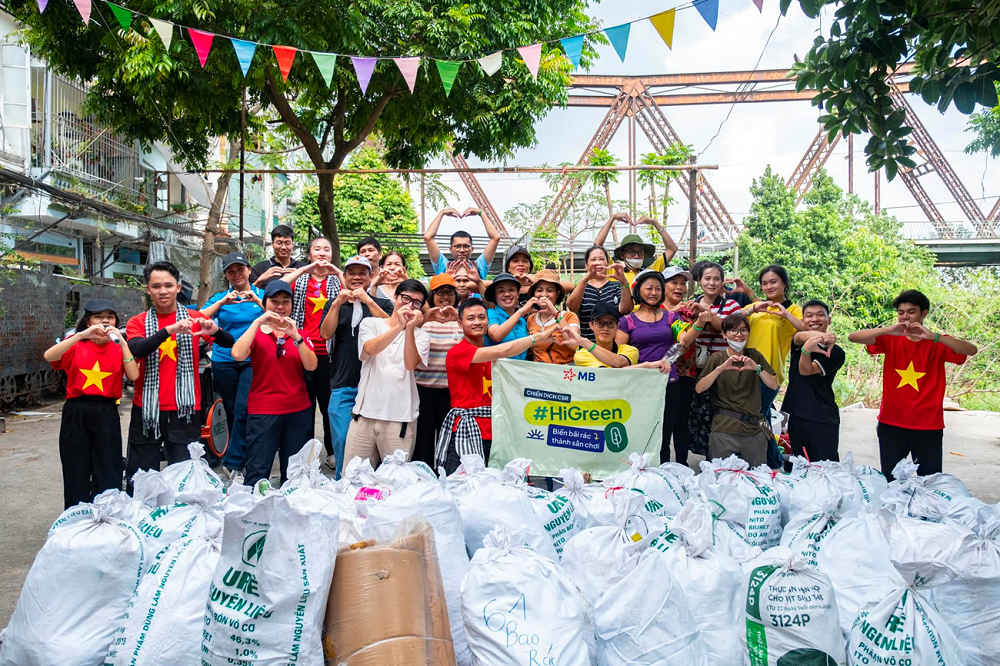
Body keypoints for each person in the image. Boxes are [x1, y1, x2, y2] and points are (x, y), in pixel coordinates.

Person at [125, 261, 234, 491]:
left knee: (184, 473)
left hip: (184, 409)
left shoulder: (194, 318)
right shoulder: (138, 321)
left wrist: (214, 330)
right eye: (156, 286)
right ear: (148, 289)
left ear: (178, 287)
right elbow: (137, 348)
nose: (162, 291)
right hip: (147, 408)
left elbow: (229, 343)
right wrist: (169, 330)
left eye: (167, 285)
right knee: (142, 473)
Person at [848, 289, 977, 480]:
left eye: (911, 311)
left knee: (930, 481)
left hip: (928, 425)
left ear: (923, 313)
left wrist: (935, 337)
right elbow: (853, 337)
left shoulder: (938, 341)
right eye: (901, 312)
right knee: (891, 480)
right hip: (891, 422)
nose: (905, 317)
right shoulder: (891, 338)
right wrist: (889, 330)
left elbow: (971, 350)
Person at [436, 299, 559, 474]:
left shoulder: (489, 353)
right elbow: (503, 350)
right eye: (470, 318)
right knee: (460, 488)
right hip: (467, 430)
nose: (477, 322)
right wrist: (538, 337)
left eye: (482, 317)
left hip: (497, 431)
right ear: (460, 323)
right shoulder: (458, 352)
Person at [45, 299, 139, 508]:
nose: (104, 321)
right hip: (76, 410)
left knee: (108, 464)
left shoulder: (118, 348)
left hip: (106, 410)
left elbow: (133, 374)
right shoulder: (77, 345)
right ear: (88, 321)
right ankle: (76, 514)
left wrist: (123, 342)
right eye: (98, 316)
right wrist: (80, 336)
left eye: (110, 317)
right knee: (75, 465)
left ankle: (106, 512)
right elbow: (49, 356)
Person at [230, 281, 318, 486]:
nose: (280, 306)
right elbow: (237, 354)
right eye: (274, 301)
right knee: (258, 471)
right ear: (265, 303)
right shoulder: (256, 334)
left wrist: (295, 335)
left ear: (291, 305)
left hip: (297, 410)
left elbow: (311, 365)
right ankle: (255, 513)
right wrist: (257, 323)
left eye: (285, 302)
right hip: (263, 411)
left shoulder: (301, 334)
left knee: (294, 473)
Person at [616, 269, 707, 464]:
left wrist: (698, 324)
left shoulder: (671, 318)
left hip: (669, 383)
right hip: (639, 385)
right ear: (638, 291)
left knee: (664, 436)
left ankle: (663, 477)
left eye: (658, 288)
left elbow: (684, 340)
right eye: (648, 288)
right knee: (639, 432)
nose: (654, 292)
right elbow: (621, 357)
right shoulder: (626, 322)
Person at [344, 280, 432, 468]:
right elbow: (369, 349)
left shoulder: (422, 336)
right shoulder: (371, 324)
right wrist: (397, 327)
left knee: (395, 482)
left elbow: (410, 364)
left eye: (416, 302)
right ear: (395, 297)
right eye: (405, 298)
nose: (409, 305)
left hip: (400, 419)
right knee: (353, 479)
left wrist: (408, 329)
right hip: (364, 416)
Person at [320, 256, 392, 479]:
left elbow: (392, 327)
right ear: (344, 277)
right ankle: (344, 486)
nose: (357, 277)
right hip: (343, 383)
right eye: (352, 272)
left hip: (376, 386)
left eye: (363, 273)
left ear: (371, 277)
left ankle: (371, 488)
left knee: (374, 442)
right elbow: (325, 333)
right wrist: (336, 303)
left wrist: (369, 301)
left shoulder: (383, 304)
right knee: (341, 439)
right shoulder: (334, 304)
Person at [201, 251, 264, 483]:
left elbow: (276, 315)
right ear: (227, 275)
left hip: (252, 360)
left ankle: (234, 462)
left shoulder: (262, 295)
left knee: (243, 409)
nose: (236, 274)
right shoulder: (221, 298)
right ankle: (238, 455)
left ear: (249, 269)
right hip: (224, 360)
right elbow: (200, 318)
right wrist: (221, 302)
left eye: (240, 269)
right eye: (231, 271)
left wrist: (257, 300)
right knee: (231, 411)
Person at [281, 237, 344, 459]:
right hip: (302, 348)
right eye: (316, 249)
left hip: (329, 351)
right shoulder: (300, 280)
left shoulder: (337, 281)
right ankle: (304, 453)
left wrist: (337, 271)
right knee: (304, 405)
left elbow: (354, 293)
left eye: (327, 249)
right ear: (308, 254)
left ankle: (332, 452)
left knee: (328, 405)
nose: (322, 253)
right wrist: (306, 268)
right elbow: (279, 285)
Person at [695, 312, 778, 467]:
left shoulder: (754, 355)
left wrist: (757, 368)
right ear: (724, 335)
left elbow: (773, 384)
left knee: (755, 481)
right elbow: (700, 388)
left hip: (754, 430)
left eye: (743, 330)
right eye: (733, 331)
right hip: (723, 430)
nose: (738, 335)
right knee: (722, 482)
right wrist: (720, 369)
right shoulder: (717, 358)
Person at [687, 261, 743, 457]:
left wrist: (707, 315)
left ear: (722, 282)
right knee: (701, 413)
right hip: (699, 365)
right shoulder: (691, 301)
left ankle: (724, 455)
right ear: (700, 281)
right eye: (707, 278)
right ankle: (706, 455)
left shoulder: (732, 304)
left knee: (724, 410)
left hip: (725, 364)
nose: (712, 283)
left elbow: (733, 329)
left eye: (716, 279)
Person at [782, 300, 845, 463]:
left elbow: (806, 370)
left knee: (825, 468)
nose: (814, 319)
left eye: (820, 315)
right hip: (797, 414)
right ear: (803, 321)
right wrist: (821, 338)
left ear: (829, 320)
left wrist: (806, 350)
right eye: (809, 316)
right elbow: (800, 336)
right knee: (801, 465)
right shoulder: (798, 339)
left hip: (822, 416)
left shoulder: (836, 352)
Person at [745, 264, 807, 427]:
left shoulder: (793, 310)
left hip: (769, 372)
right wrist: (753, 307)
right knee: (751, 420)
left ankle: (769, 453)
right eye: (764, 283)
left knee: (758, 421)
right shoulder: (757, 308)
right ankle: (758, 453)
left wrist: (785, 314)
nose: (769, 287)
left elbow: (807, 328)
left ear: (784, 283)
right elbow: (730, 320)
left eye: (773, 282)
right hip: (745, 370)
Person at [413, 274, 463, 467]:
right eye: (440, 292)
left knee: (447, 441)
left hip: (451, 393)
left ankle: (445, 481)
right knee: (423, 441)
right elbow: (405, 335)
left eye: (450, 292)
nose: (445, 297)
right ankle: (423, 479)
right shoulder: (423, 320)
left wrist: (457, 317)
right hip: (422, 390)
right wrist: (426, 317)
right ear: (431, 295)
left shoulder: (460, 321)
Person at [661, 266, 703, 467]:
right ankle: (661, 463)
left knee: (682, 420)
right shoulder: (654, 310)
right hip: (660, 374)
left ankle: (682, 463)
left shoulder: (690, 311)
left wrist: (701, 313)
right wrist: (671, 312)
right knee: (662, 422)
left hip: (686, 373)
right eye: (673, 283)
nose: (679, 287)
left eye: (682, 283)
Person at [562, 301, 673, 374]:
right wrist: (647, 366)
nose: (605, 328)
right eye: (600, 323)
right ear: (591, 326)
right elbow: (608, 375)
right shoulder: (582, 355)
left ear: (618, 326)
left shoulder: (630, 350)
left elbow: (620, 363)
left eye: (610, 323)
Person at [565, 246, 633, 341]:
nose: (598, 262)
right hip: (588, 348)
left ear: (607, 263)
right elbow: (572, 307)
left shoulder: (617, 286)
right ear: (586, 265)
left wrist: (624, 282)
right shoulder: (581, 288)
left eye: (601, 259)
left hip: (613, 347)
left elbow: (625, 310)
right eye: (593, 259)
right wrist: (585, 279)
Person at [593, 211, 678, 285]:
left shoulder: (650, 272)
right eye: (632, 252)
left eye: (640, 252)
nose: (637, 256)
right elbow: (597, 245)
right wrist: (612, 218)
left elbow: (672, 249)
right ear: (622, 254)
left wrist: (655, 223)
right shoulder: (614, 271)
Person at [423, 207, 500, 279]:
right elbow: (428, 238)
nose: (462, 250)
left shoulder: (478, 267)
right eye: (457, 246)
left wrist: (481, 213)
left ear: (472, 249)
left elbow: (495, 238)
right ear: (450, 249)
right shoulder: (444, 266)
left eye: (466, 246)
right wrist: (441, 213)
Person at [524, 269, 580, 365]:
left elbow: (573, 344)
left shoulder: (569, 316)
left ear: (557, 294)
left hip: (564, 373)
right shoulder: (531, 319)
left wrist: (555, 312)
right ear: (534, 293)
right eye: (539, 290)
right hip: (539, 374)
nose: (544, 294)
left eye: (549, 290)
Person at [485, 273, 533, 359]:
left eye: (511, 289)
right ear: (495, 297)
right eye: (501, 291)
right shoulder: (490, 313)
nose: (507, 294)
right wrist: (521, 312)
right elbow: (496, 336)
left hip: (520, 370)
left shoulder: (522, 321)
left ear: (518, 295)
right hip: (497, 371)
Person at [355, 236, 391, 300]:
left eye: (371, 250)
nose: (367, 254)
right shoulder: (355, 279)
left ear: (380, 255)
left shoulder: (389, 277)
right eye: (363, 251)